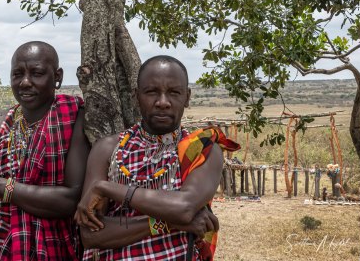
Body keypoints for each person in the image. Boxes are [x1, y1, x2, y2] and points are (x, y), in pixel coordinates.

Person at [75, 55, 240, 260]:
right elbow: (91, 235)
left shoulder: (201, 149)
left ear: (187, 97)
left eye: (174, 92)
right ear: (136, 96)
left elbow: (185, 208)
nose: (163, 102)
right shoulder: (108, 149)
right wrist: (168, 223)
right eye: (151, 92)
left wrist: (106, 188)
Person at [0, 41, 90, 260]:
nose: (25, 82)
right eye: (17, 74)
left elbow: (70, 199)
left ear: (58, 77)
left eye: (36, 73)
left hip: (50, 251)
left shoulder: (74, 119)